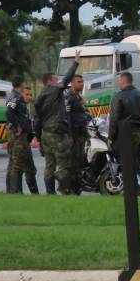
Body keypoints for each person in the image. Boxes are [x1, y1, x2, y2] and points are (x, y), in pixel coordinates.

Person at [34, 52, 81, 195]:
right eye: (55, 79)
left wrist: (37, 137)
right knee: (64, 163)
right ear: (49, 81)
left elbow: (36, 120)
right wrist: (75, 63)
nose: (58, 82)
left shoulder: (40, 96)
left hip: (45, 135)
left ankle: (50, 192)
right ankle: (65, 190)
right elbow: (67, 80)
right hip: (57, 133)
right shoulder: (54, 90)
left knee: (49, 165)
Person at [108, 71, 140, 184]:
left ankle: (128, 184)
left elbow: (114, 118)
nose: (119, 82)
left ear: (123, 81)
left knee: (123, 160)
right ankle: (137, 183)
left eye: (119, 80)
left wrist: (110, 136)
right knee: (134, 158)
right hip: (137, 132)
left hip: (123, 133)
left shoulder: (119, 96)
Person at [5, 78, 39, 194]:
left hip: (22, 137)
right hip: (18, 136)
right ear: (21, 85)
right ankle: (15, 191)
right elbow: (9, 111)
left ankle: (12, 191)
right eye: (27, 93)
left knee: (18, 164)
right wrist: (17, 126)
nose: (29, 96)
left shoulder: (15, 97)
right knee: (17, 163)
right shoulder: (16, 97)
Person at [66, 74, 91, 193]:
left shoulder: (79, 97)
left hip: (81, 133)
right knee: (72, 162)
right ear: (72, 83)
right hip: (73, 134)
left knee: (80, 161)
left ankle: (77, 188)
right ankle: (70, 188)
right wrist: (69, 135)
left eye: (82, 81)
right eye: (79, 82)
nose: (81, 84)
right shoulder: (69, 97)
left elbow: (83, 114)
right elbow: (67, 117)